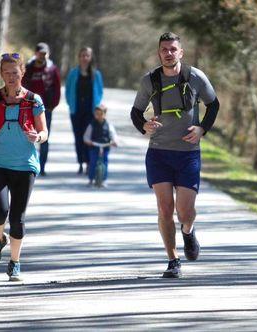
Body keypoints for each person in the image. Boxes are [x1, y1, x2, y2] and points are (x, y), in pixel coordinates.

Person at [130, 32, 220, 278]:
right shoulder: (150, 80)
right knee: (164, 209)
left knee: (185, 211)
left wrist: (202, 128)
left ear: (181, 52)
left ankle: (188, 232)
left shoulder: (195, 77)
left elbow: (213, 104)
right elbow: (136, 112)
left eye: (173, 49)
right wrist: (144, 126)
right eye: (164, 50)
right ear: (159, 53)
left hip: (188, 154)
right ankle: (173, 260)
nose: (168, 53)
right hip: (159, 153)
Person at [0, 52, 48, 282]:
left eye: (15, 72)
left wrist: (37, 137)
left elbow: (44, 132)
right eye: (6, 73)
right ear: (1, 74)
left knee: (17, 218)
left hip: (25, 166)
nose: (11, 77)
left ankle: (15, 263)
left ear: (22, 73)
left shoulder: (34, 100)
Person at [22, 42, 61, 176]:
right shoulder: (28, 68)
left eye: (45, 53)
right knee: (27, 136)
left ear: (48, 54)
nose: (43, 56)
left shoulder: (52, 69)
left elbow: (57, 88)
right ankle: (28, 165)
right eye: (40, 53)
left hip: (46, 109)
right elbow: (21, 85)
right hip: (28, 108)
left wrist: (52, 105)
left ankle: (42, 166)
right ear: (35, 53)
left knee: (44, 137)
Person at [65, 47, 103, 175]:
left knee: (88, 137)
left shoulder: (96, 74)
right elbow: (68, 90)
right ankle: (80, 162)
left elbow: (100, 92)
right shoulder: (73, 73)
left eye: (87, 55)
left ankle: (88, 162)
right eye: (82, 55)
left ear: (91, 57)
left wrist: (97, 107)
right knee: (78, 136)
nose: (84, 58)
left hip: (90, 110)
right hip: (76, 110)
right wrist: (71, 104)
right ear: (79, 57)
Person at [83, 104, 118, 187]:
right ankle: (91, 179)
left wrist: (114, 141)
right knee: (93, 162)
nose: (98, 116)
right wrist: (88, 141)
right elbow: (86, 136)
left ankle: (104, 180)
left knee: (105, 162)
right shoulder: (91, 125)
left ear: (105, 114)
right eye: (97, 114)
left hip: (105, 146)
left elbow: (113, 135)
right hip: (94, 146)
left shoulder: (109, 125)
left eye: (101, 114)